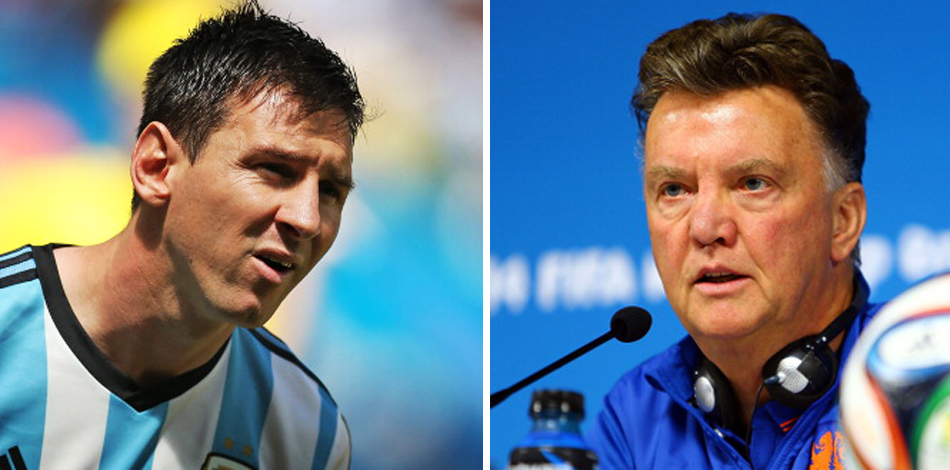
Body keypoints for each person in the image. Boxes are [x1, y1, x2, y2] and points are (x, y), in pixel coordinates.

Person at [0, 1, 363, 468]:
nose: (308, 219)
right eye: (273, 169)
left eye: (331, 191)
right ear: (155, 166)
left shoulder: (308, 436)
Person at [586, 13, 878, 469]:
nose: (705, 227)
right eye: (675, 190)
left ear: (843, 221)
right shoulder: (634, 419)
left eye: (752, 183)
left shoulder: (922, 388)